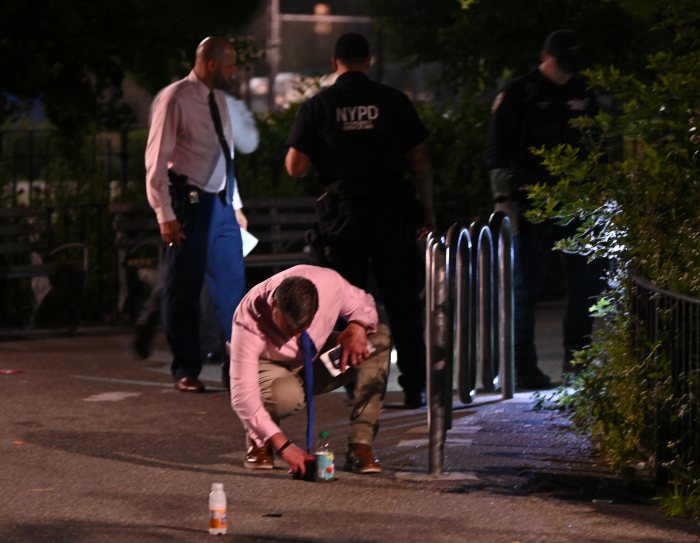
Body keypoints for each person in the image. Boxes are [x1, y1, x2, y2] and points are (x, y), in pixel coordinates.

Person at [284, 32, 435, 409]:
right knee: (402, 302)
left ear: (335, 63)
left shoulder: (319, 105)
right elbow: (419, 160)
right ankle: (415, 386)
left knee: (345, 304)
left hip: (344, 218)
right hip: (392, 212)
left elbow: (294, 166)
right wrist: (428, 210)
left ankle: (352, 383)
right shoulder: (394, 101)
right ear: (368, 61)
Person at [484, 29, 607, 389]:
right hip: (530, 205)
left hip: (577, 203)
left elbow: (597, 147)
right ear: (544, 56)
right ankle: (523, 367)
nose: (566, 72)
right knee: (526, 288)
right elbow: (496, 152)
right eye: (561, 64)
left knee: (585, 284)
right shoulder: (520, 93)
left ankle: (578, 361)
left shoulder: (582, 92)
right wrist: (503, 202)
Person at [144, 36, 247, 392]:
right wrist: (164, 212)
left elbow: (225, 152)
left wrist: (235, 203)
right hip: (190, 201)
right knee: (184, 287)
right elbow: (156, 157)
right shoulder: (175, 98)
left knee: (232, 290)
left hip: (219, 201)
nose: (235, 71)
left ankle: (235, 367)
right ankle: (185, 367)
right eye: (231, 64)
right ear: (213, 63)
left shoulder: (219, 99)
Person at [229, 264, 391, 476]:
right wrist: (284, 447)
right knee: (286, 395)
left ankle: (361, 445)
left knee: (378, 339)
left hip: (313, 358)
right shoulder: (248, 317)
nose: (296, 337)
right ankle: (260, 438)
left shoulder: (329, 283)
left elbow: (364, 303)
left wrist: (357, 327)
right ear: (274, 305)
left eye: (303, 329)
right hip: (270, 366)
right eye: (289, 329)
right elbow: (243, 397)